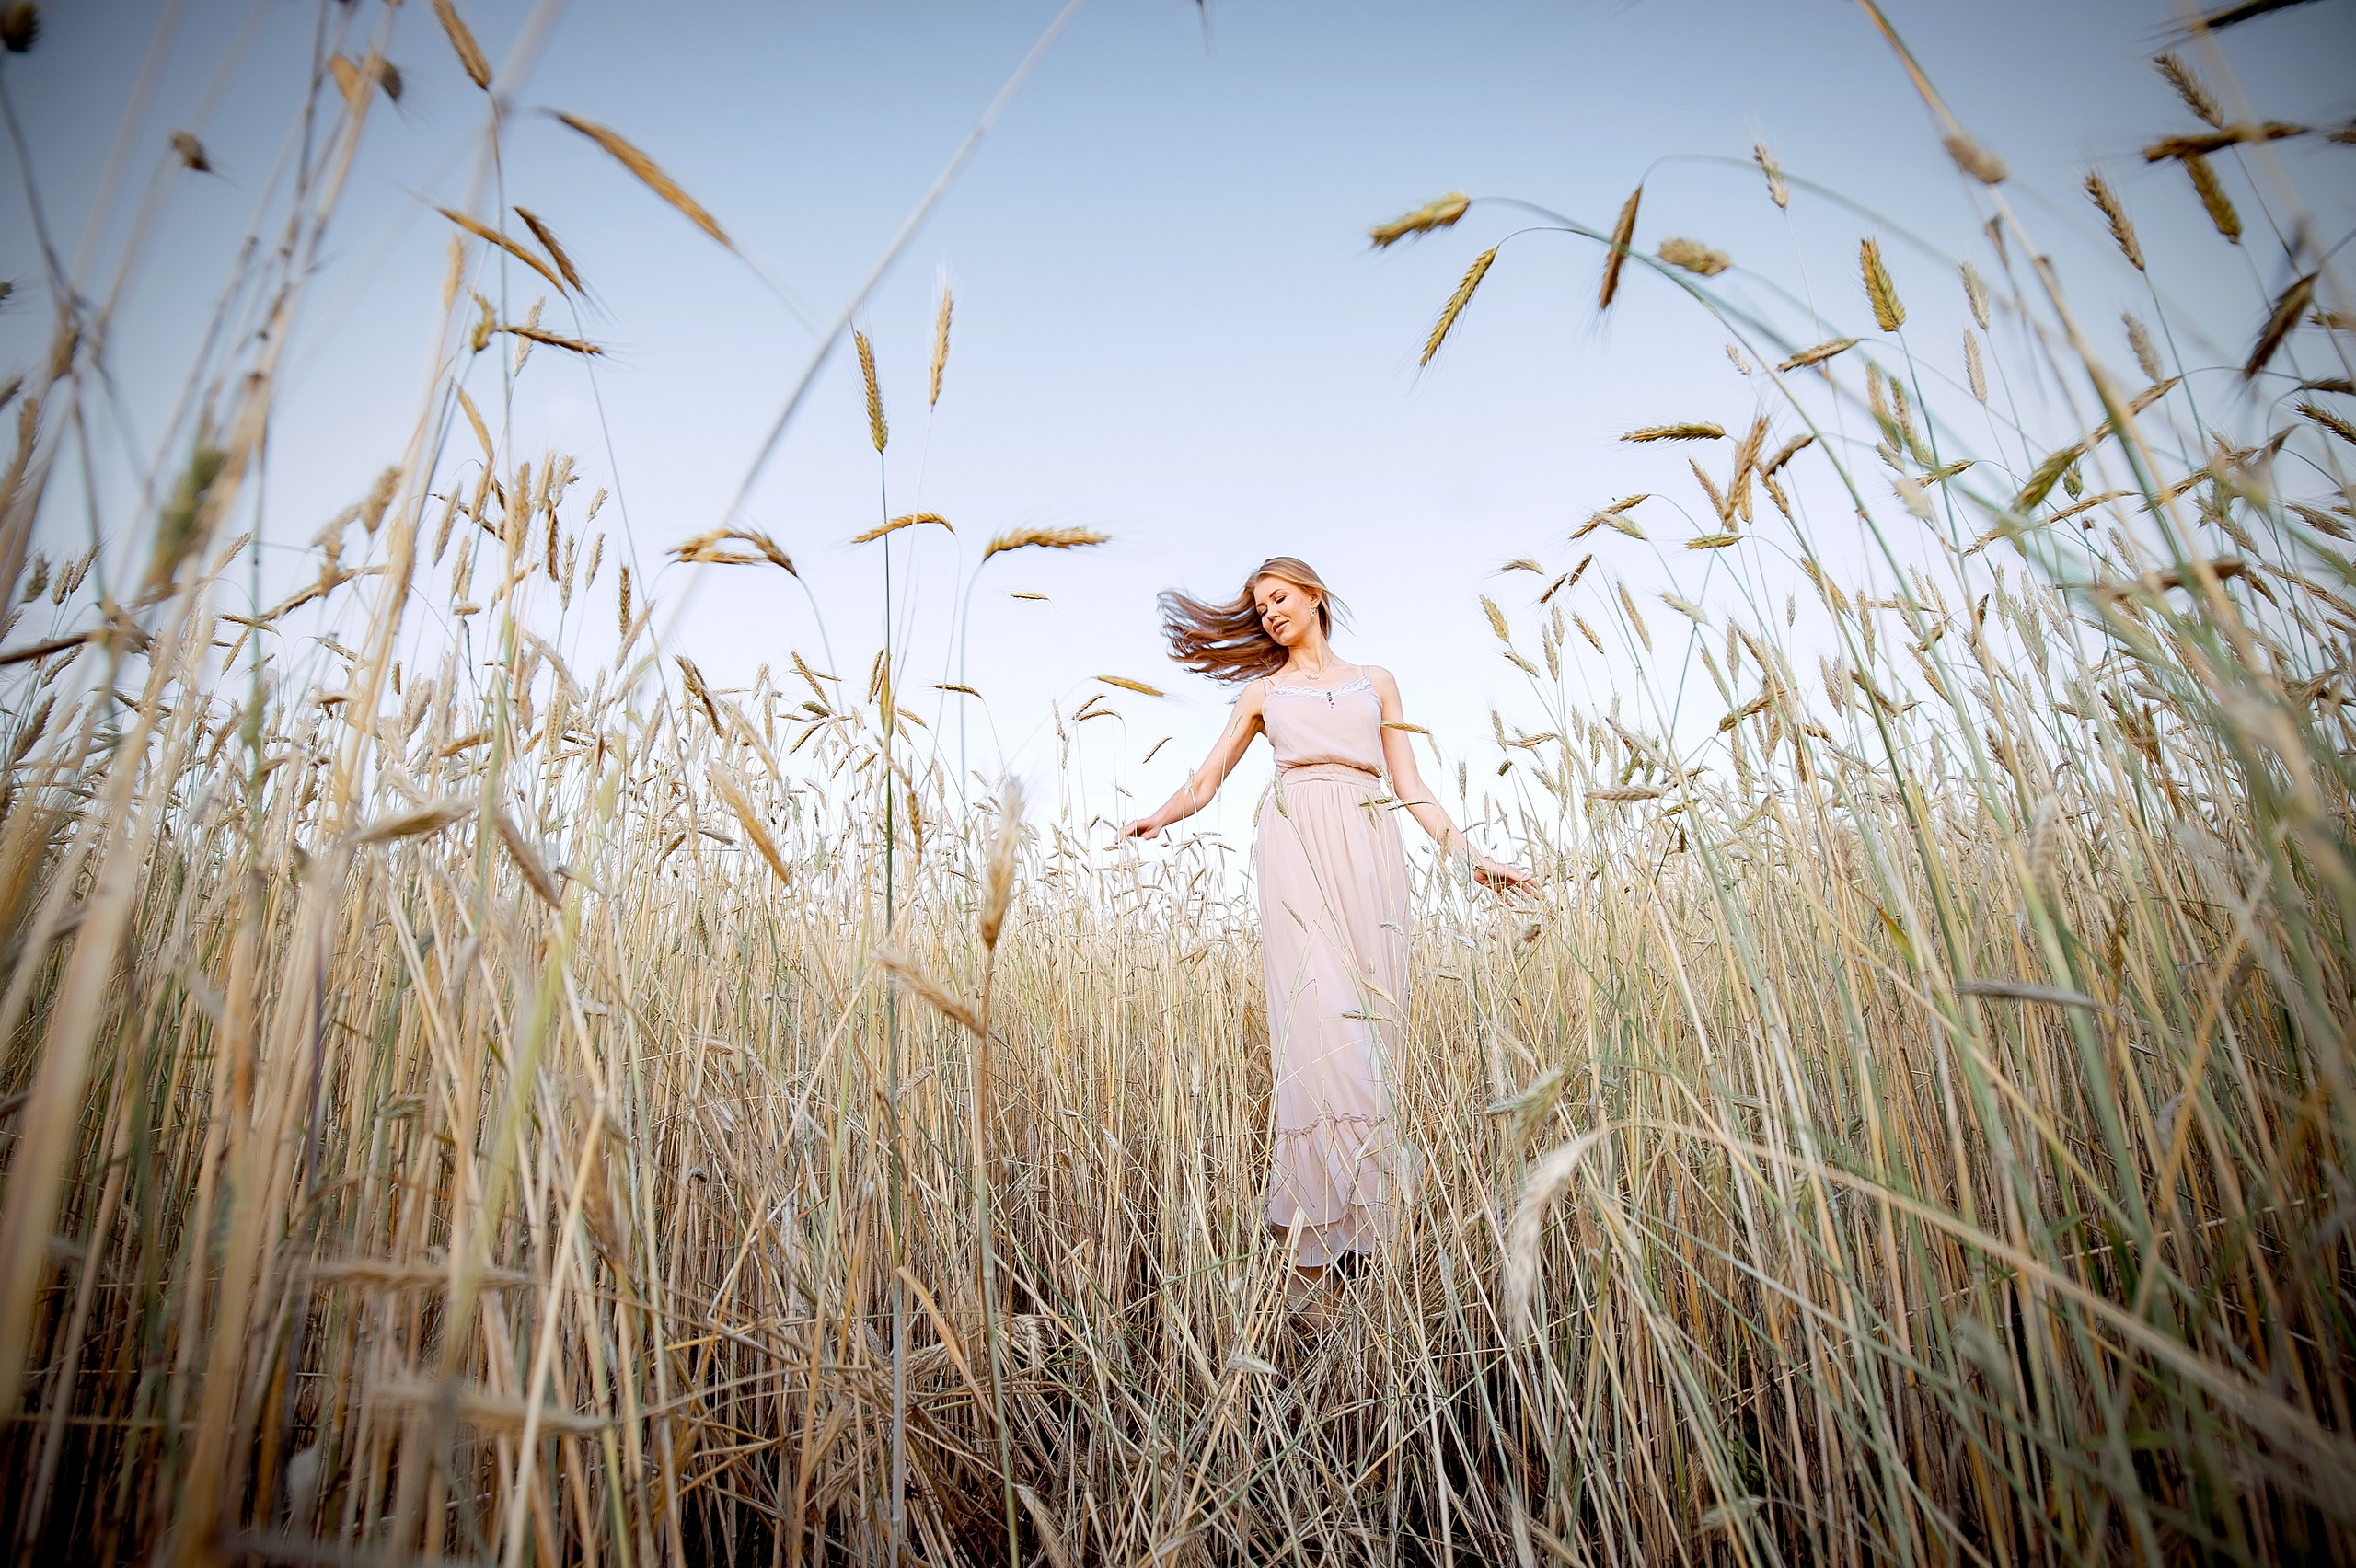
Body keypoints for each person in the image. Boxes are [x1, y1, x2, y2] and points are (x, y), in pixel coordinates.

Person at [1120, 557, 1533, 1326]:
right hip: (1296, 847)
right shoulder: (1262, 693)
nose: (1270, 613)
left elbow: (1410, 785)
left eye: (1279, 599)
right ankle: (1316, 1265)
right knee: (1323, 1027)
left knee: (1375, 1034)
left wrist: (1478, 860)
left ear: (1314, 596)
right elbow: (1208, 780)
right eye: (1259, 607)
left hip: (1371, 844)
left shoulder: (1378, 680)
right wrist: (1159, 815)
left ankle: (1368, 1257)